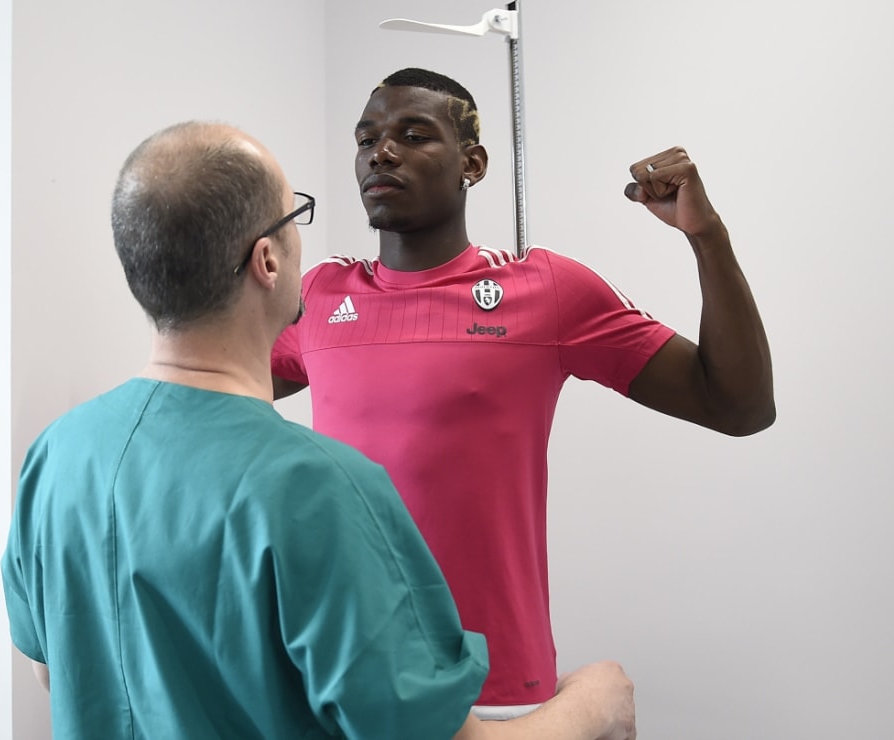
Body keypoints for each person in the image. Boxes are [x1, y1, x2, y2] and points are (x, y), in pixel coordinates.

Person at [2, 120, 638, 739]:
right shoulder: (321, 489)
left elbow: (55, 671)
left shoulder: (58, 455)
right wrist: (594, 703)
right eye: (295, 218)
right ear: (267, 260)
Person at [271, 67, 775, 719]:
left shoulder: (547, 291)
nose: (381, 152)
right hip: (340, 679)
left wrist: (707, 237)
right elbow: (212, 383)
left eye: (414, 135)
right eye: (366, 139)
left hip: (498, 689)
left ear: (472, 164)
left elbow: (739, 405)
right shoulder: (318, 295)